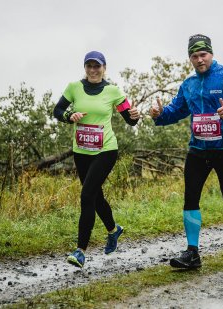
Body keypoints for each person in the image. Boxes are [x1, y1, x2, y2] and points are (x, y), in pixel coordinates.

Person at [150, 34, 223, 269]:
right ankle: (192, 253)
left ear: (211, 54)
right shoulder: (189, 84)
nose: (199, 60)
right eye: (194, 56)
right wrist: (160, 115)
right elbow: (176, 110)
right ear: (190, 58)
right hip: (198, 148)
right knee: (191, 197)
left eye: (203, 55)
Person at [53, 51, 140, 268]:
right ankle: (113, 230)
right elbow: (58, 110)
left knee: (86, 195)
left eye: (97, 66)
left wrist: (135, 115)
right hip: (81, 151)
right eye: (89, 66)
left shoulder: (113, 91)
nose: (93, 70)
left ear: (104, 68)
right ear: (85, 68)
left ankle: (80, 250)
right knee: (95, 195)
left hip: (106, 150)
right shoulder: (74, 87)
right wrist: (68, 116)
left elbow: (129, 120)